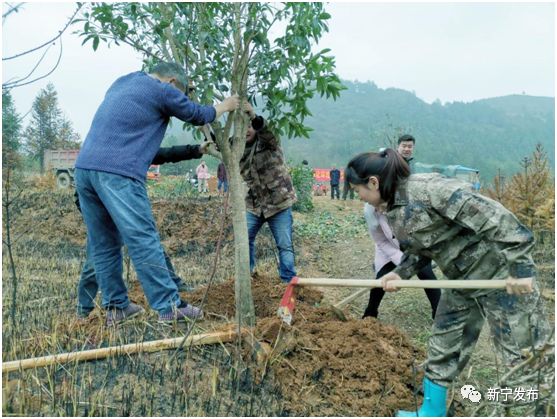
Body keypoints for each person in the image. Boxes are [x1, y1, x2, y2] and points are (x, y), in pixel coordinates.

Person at [345, 149, 550, 417]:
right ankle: (432, 409)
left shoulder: (431, 191)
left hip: (502, 275)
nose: (358, 197)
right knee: (444, 341)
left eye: (357, 190)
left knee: (524, 358)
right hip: (462, 279)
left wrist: (520, 270)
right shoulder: (393, 207)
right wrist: (400, 273)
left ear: (373, 182)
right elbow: (422, 247)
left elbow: (502, 221)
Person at [74, 61, 239, 325]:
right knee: (143, 238)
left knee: (104, 244)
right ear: (173, 82)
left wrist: (196, 148)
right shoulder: (162, 89)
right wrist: (226, 105)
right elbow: (199, 114)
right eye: (179, 94)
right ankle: (169, 306)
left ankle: (116, 307)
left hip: (85, 170)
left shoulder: (123, 82)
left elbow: (148, 149)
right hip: (119, 174)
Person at [76, 143, 208, 319]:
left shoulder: (128, 149)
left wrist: (196, 150)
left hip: (123, 206)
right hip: (106, 213)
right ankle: (84, 309)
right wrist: (102, 220)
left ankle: (176, 285)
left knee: (151, 247)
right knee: (97, 259)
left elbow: (161, 153)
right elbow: (81, 198)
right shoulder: (101, 158)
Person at [240, 101, 297, 283]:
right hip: (255, 205)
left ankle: (287, 280)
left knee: (284, 245)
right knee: (244, 240)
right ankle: (247, 276)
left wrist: (253, 115)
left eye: (249, 126)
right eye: (242, 127)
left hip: (278, 203)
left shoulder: (268, 142)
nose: (247, 130)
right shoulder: (237, 150)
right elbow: (217, 143)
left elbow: (265, 130)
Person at [363, 203, 440, 319]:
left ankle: (438, 313)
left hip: (415, 249)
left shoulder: (407, 204)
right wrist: (402, 262)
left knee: (427, 275)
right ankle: (370, 313)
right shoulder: (370, 212)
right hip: (389, 249)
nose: (380, 210)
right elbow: (381, 242)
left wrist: (410, 261)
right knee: (381, 279)